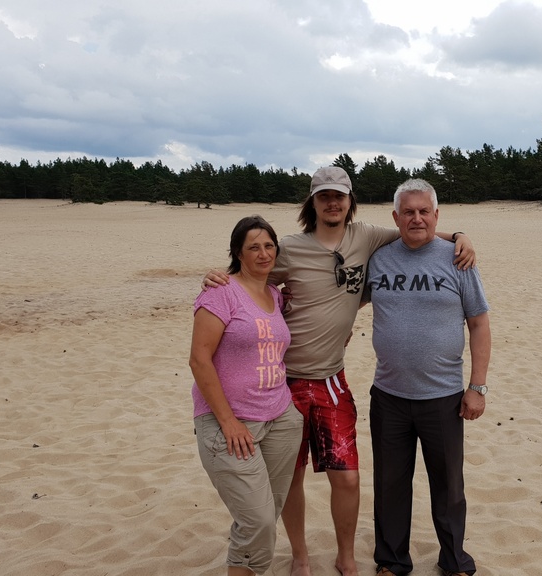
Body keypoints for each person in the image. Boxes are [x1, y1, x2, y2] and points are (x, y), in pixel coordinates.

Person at [203, 166, 476, 576]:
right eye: (324, 196)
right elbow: (250, 277)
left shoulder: (366, 237)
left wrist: (458, 236)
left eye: (340, 196)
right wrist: (217, 277)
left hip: (332, 379)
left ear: (350, 201)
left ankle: (347, 556)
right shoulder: (287, 249)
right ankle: (299, 555)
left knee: (347, 478)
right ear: (312, 202)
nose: (332, 203)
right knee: (291, 479)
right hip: (284, 384)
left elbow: (414, 229)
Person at [365, 179, 491, 576]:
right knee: (389, 485)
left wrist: (477, 386)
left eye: (424, 211)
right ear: (395, 217)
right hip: (388, 395)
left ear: (437, 215)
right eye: (408, 211)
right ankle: (392, 560)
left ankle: (454, 560)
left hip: (443, 397)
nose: (416, 218)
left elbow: (479, 322)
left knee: (449, 487)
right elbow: (340, 299)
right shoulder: (380, 259)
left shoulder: (458, 259)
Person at [189, 215, 303, 576]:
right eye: (253, 247)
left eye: (269, 245)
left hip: (281, 417)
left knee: (266, 514)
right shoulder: (220, 292)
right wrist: (228, 422)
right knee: (257, 521)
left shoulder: (274, 294)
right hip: (231, 423)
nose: (263, 253)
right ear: (238, 252)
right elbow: (198, 359)